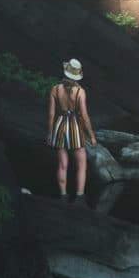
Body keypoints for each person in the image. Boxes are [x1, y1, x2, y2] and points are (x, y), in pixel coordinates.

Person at [47, 58, 97, 202]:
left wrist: (50, 133)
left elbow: (51, 114)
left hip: (59, 126)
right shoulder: (80, 92)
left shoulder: (55, 89)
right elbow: (85, 117)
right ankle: (79, 196)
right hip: (74, 126)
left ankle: (63, 195)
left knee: (62, 164)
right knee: (82, 164)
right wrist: (92, 136)